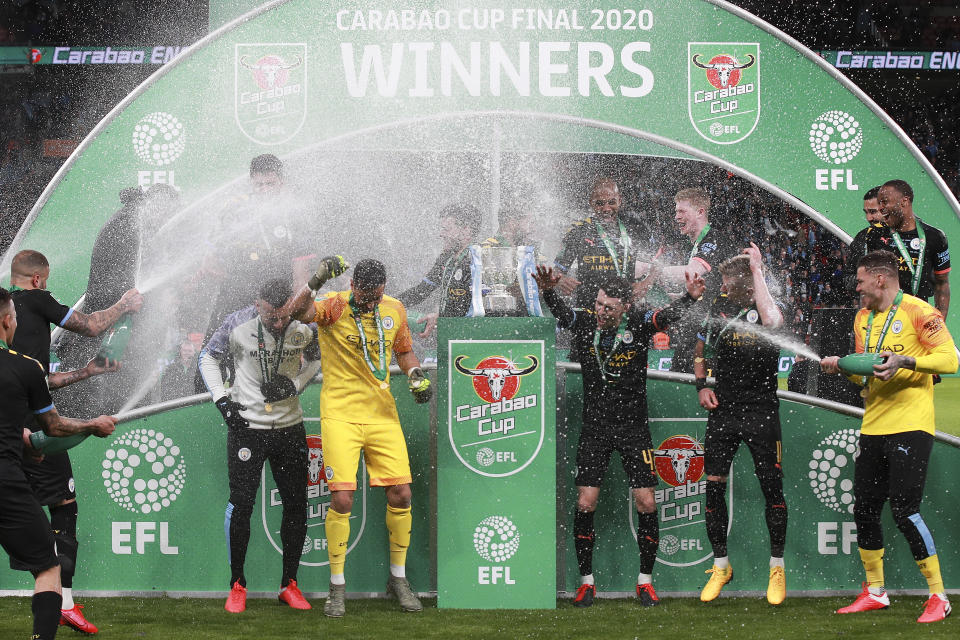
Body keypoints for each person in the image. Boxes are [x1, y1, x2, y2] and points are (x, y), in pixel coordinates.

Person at [532, 264, 705, 608]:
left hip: (633, 428)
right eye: (598, 304)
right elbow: (561, 311)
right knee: (585, 503)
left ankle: (645, 582)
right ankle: (586, 583)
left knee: (647, 502)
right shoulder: (584, 323)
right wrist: (548, 290)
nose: (600, 312)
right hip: (595, 428)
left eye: (608, 307)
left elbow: (667, 316)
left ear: (625, 307)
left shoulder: (639, 325)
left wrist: (689, 297)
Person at [8, 249, 143, 634]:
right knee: (64, 508)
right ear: (37, 279)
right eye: (46, 281)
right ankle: (63, 601)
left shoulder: (13, 316)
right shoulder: (36, 299)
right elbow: (90, 326)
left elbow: (37, 380)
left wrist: (89, 371)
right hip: (30, 430)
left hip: (16, 425)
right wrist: (124, 304)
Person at [290, 258, 433, 617]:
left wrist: (415, 374)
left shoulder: (394, 308)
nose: (371, 302)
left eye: (376, 294)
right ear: (353, 284)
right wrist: (318, 278)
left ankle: (398, 580)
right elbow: (298, 312)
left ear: (384, 287)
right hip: (340, 415)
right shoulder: (335, 304)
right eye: (365, 294)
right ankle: (336, 587)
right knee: (342, 500)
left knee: (402, 494)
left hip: (382, 415)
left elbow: (403, 351)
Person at [820, 250, 957, 624]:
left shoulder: (918, 311)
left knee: (904, 511)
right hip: (873, 425)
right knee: (863, 510)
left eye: (861, 281)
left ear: (880, 279)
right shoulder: (863, 317)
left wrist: (906, 361)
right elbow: (866, 374)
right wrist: (842, 368)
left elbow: (950, 359)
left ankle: (938, 596)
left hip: (911, 425)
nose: (857, 288)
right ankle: (876, 591)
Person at [198, 277, 325, 613]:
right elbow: (207, 359)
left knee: (297, 505)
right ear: (258, 305)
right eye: (272, 317)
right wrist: (223, 403)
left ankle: (289, 585)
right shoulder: (238, 323)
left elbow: (315, 359)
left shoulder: (301, 325)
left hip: (289, 428)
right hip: (246, 428)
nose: (279, 323)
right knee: (242, 505)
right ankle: (237, 584)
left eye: (283, 316)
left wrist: (295, 385)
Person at [0, 286, 116, 640]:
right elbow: (54, 426)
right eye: (15, 317)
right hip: (5, 481)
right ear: (7, 322)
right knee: (48, 567)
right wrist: (92, 425)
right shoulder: (24, 366)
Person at [694, 245, 788, 606]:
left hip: (762, 410)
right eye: (723, 280)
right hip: (725, 411)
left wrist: (759, 270)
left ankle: (776, 568)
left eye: (730, 280)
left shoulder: (767, 304)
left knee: (771, 487)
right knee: (713, 485)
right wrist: (701, 385)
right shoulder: (716, 311)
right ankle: (721, 566)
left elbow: (773, 324)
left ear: (748, 282)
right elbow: (700, 351)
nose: (724, 286)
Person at [659, 187, 738, 373]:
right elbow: (705, 287)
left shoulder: (714, 240)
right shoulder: (696, 246)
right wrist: (678, 296)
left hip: (709, 340)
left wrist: (654, 271)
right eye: (675, 211)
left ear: (700, 212)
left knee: (691, 391)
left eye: (681, 211)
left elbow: (693, 273)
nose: (676, 217)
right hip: (695, 333)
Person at [554, 178, 655, 311]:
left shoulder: (635, 228)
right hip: (589, 311)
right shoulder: (579, 231)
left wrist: (647, 283)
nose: (606, 208)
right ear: (591, 203)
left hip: (625, 309)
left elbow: (658, 262)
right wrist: (559, 280)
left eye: (611, 202)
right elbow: (557, 270)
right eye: (600, 203)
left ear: (620, 200)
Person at [863, 180, 950, 317]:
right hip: (885, 317)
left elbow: (942, 284)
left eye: (884, 202)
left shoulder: (934, 237)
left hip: (919, 317)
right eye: (879, 203)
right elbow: (869, 283)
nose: (880, 208)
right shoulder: (875, 235)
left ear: (904, 201)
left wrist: (939, 322)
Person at [397, 203, 482, 338]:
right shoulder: (446, 258)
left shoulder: (478, 258)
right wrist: (386, 303)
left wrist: (439, 316)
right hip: (449, 334)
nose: (441, 234)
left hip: (473, 336)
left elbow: (476, 305)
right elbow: (421, 291)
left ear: (467, 230)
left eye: (447, 229)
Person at [843, 186, 883, 301]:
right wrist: (868, 281)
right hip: (874, 312)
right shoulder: (862, 237)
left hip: (909, 311)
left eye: (873, 212)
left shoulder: (912, 237)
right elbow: (847, 278)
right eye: (866, 212)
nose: (868, 218)